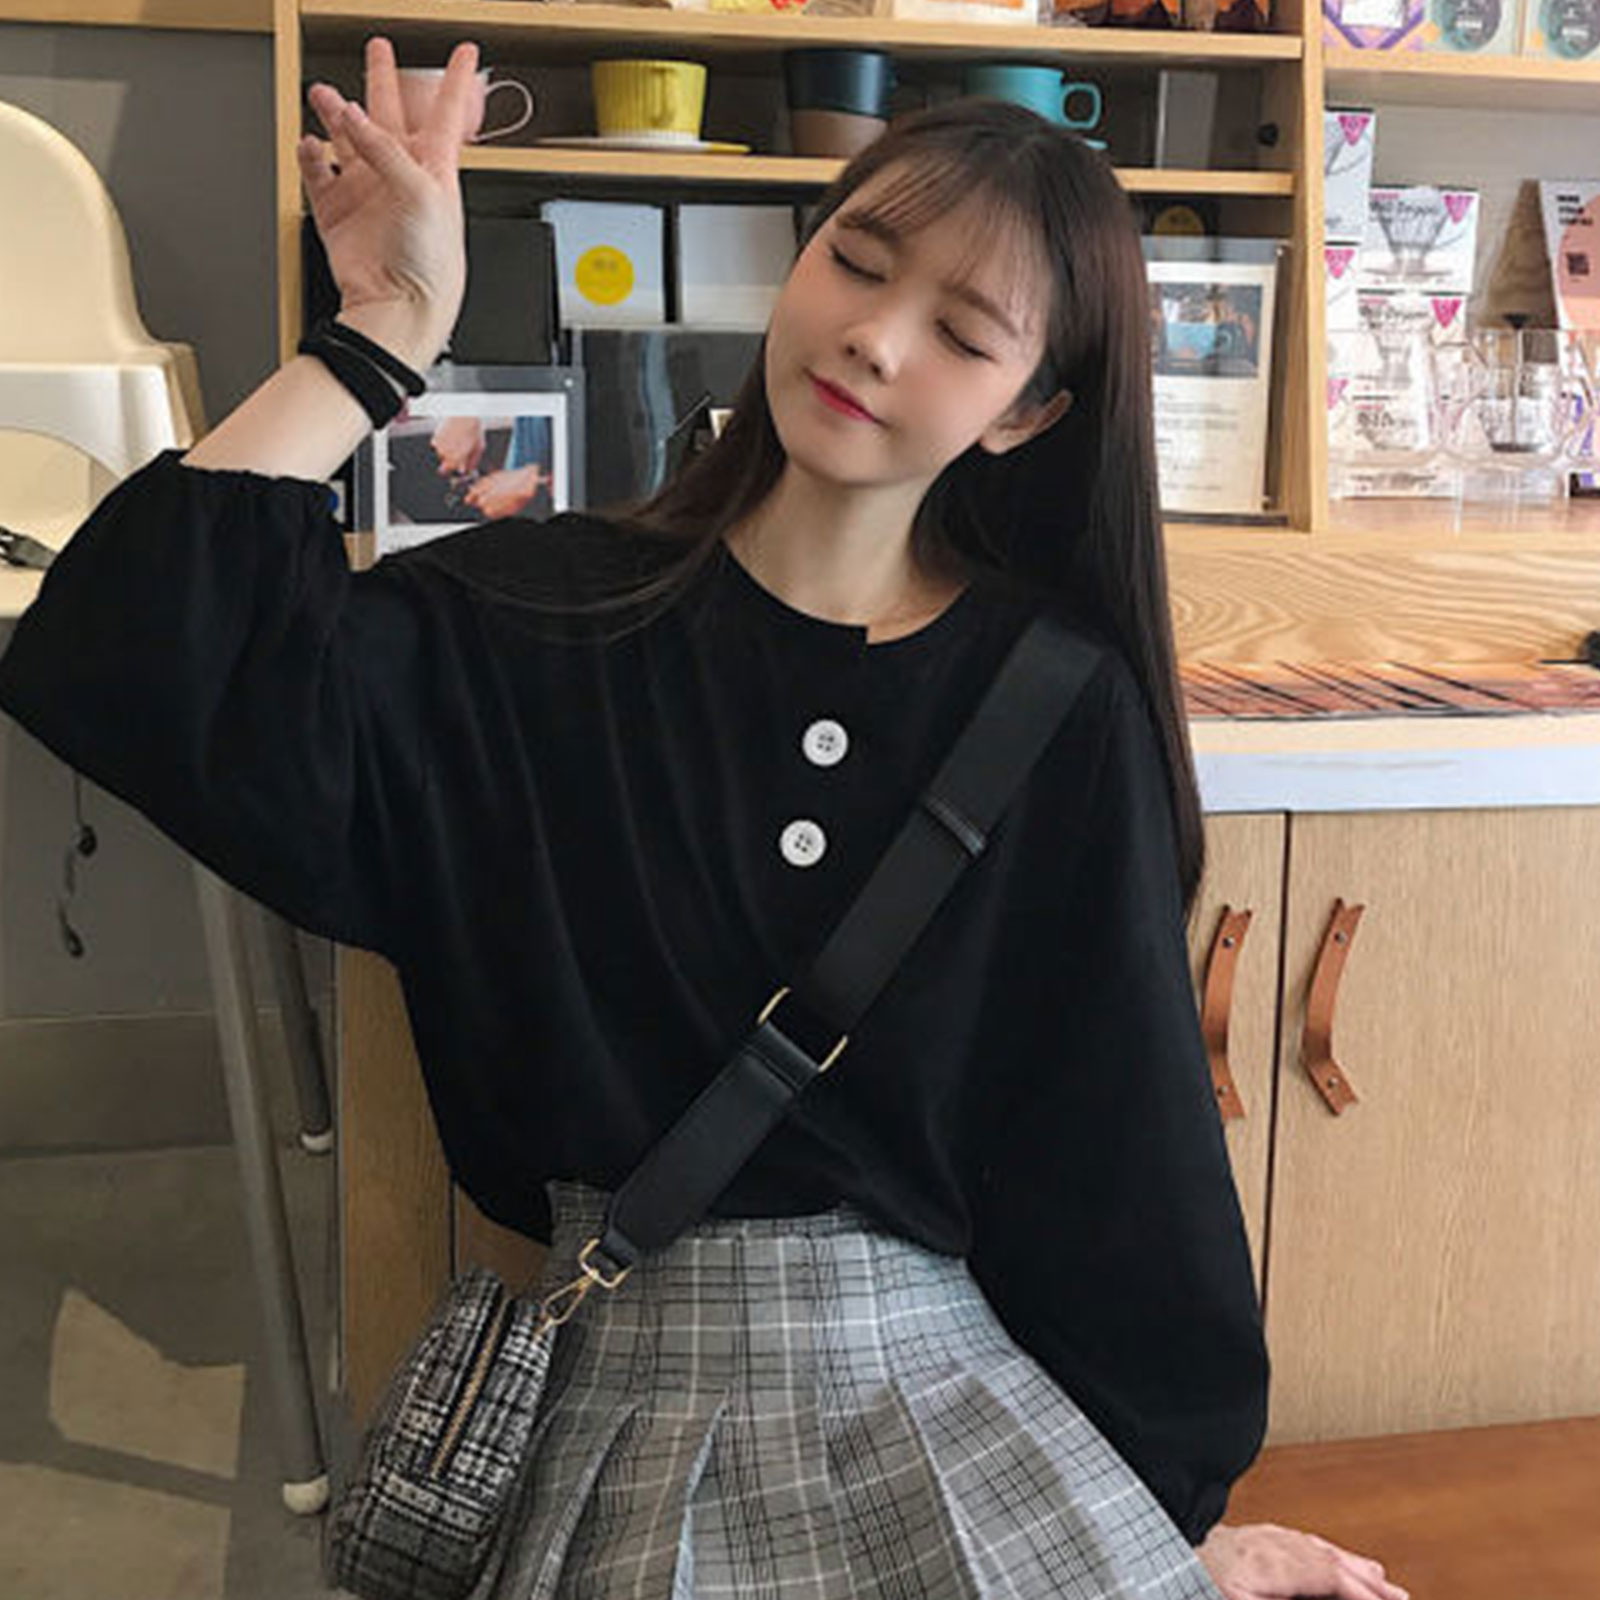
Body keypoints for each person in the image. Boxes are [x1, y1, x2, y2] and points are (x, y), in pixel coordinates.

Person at [0, 36, 1408, 1600]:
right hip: (626, 1408)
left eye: (962, 333)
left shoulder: (1055, 703)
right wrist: (380, 333)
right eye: (856, 260)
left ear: (1026, 414)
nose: (874, 337)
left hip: (954, 1406)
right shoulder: (531, 620)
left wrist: (1168, 1519)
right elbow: (121, 655)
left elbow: (1119, 1152)